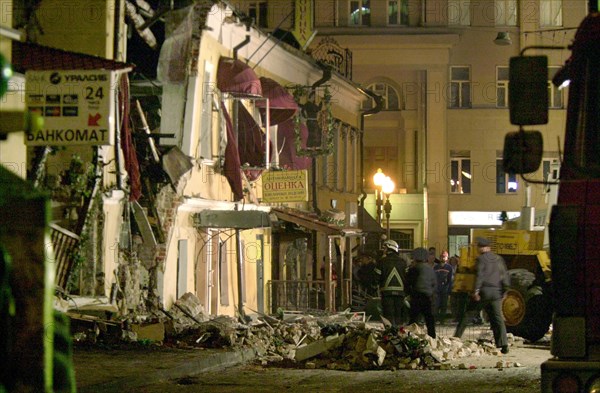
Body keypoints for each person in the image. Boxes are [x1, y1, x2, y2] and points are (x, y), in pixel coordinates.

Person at [454, 237, 510, 354]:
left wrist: (476, 291)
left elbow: (480, 275)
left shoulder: (481, 259)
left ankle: (456, 338)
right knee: (497, 319)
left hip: (484, 291)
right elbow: (504, 275)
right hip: (496, 293)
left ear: (481, 248)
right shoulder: (498, 258)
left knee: (468, 314)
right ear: (489, 247)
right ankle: (504, 345)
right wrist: (504, 291)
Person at [374, 240, 408, 327]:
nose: (384, 250)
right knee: (398, 316)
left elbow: (376, 278)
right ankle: (399, 335)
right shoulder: (403, 262)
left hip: (386, 294)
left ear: (389, 248)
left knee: (388, 317)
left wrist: (374, 286)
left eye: (385, 247)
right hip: (400, 294)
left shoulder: (382, 261)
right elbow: (408, 278)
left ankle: (389, 336)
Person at [406, 247, 437, 338]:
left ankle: (409, 337)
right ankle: (432, 338)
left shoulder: (413, 269)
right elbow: (434, 284)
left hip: (416, 296)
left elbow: (407, 282)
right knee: (429, 320)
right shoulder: (430, 269)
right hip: (428, 297)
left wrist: (409, 294)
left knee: (413, 319)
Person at [433, 250, 454, 323]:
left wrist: (450, 290)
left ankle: (442, 320)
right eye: (441, 256)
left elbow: (450, 280)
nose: (443, 258)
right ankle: (436, 319)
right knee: (436, 305)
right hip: (437, 290)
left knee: (444, 305)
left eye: (444, 257)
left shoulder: (449, 268)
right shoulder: (436, 267)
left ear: (447, 258)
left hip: (445, 290)